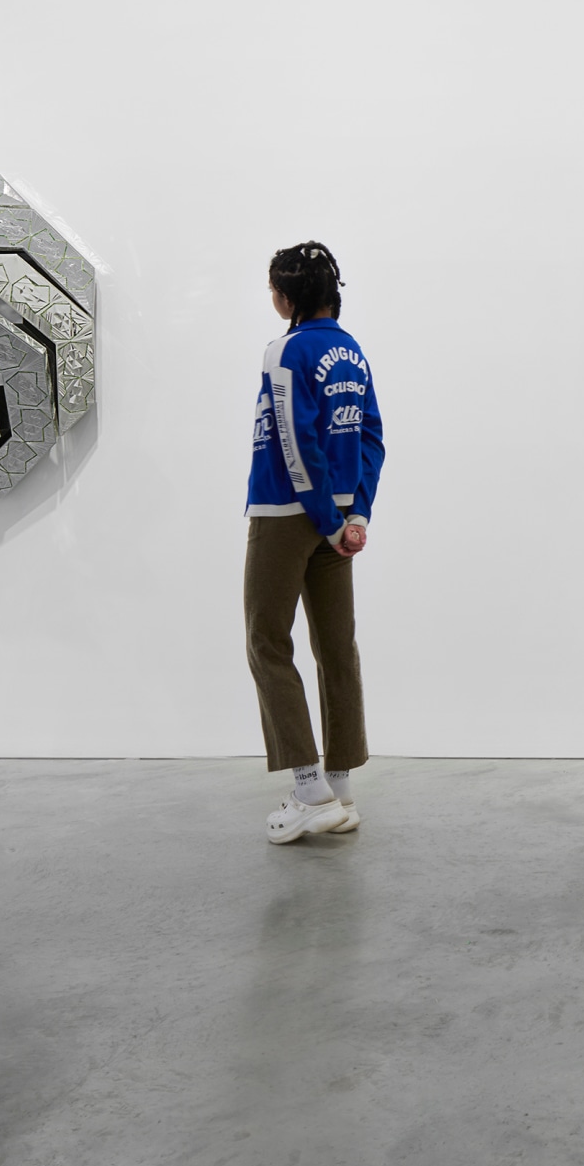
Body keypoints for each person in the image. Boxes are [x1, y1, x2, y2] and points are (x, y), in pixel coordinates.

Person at [242, 241, 385, 844]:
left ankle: (308, 790)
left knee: (267, 641)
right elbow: (372, 436)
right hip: (339, 519)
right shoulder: (353, 352)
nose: (272, 298)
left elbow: (295, 443)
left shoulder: (286, 350)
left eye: (274, 289)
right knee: (335, 646)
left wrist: (327, 519)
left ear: (288, 297)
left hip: (287, 513)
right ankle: (341, 789)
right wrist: (357, 515)